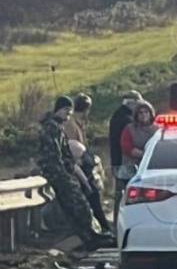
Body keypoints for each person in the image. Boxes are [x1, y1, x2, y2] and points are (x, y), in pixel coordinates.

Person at [37, 96, 111, 250]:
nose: (68, 115)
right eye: (66, 111)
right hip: (57, 173)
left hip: (62, 171)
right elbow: (55, 156)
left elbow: (66, 155)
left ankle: (88, 236)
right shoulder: (52, 128)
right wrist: (64, 174)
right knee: (80, 204)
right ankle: (90, 236)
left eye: (70, 112)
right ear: (59, 109)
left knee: (76, 206)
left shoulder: (58, 127)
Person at [109, 90, 142, 218]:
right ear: (132, 103)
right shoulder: (126, 120)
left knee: (120, 194)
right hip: (125, 163)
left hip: (117, 161)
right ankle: (121, 221)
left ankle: (117, 221)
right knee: (125, 194)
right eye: (138, 104)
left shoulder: (117, 115)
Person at [119, 101, 157, 174]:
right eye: (140, 113)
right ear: (136, 115)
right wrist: (145, 155)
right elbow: (127, 147)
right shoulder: (129, 129)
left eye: (146, 112)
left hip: (152, 167)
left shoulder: (157, 130)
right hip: (132, 168)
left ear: (150, 114)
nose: (143, 115)